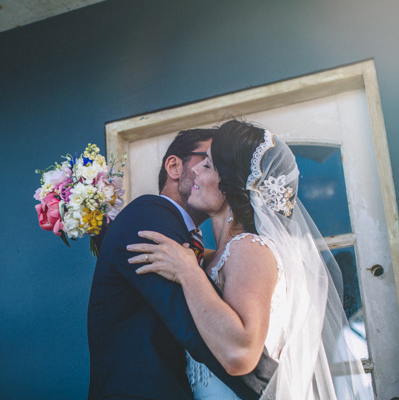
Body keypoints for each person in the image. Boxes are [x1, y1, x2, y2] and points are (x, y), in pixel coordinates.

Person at [128, 120, 373, 399]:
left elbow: (240, 354)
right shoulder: (222, 255)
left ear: (231, 184)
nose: (194, 169)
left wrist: (187, 271)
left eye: (207, 165)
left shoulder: (249, 249)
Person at [87, 128, 277, 400]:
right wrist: (272, 387)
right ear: (174, 166)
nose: (205, 171)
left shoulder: (230, 249)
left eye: (216, 164)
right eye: (206, 160)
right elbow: (192, 320)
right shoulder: (148, 215)